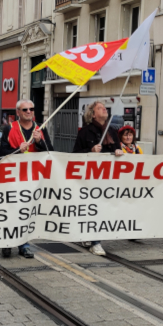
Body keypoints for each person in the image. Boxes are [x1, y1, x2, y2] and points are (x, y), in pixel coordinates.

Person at [0, 99, 53, 259]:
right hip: (14, 178)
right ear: (18, 113)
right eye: (25, 110)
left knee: (26, 212)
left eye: (31, 109)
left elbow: (51, 151)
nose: (28, 112)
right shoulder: (9, 129)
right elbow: (1, 152)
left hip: (33, 179)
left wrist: (40, 142)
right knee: (11, 210)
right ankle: (7, 242)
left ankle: (24, 244)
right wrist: (17, 150)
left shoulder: (40, 129)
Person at [73, 101, 124, 256]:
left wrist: (118, 151)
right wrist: (90, 150)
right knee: (93, 209)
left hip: (108, 178)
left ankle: (90, 236)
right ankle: (95, 242)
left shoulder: (113, 131)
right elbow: (75, 154)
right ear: (93, 114)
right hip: (90, 179)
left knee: (102, 209)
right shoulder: (85, 132)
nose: (104, 109)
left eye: (105, 108)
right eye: (100, 108)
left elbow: (118, 148)